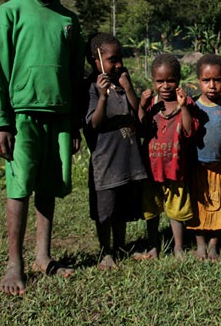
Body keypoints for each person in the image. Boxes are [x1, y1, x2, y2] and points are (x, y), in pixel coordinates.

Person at [0, 0, 83, 295]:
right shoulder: (10, 13)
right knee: (19, 185)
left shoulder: (68, 20)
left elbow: (74, 77)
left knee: (48, 185)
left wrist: (74, 124)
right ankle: (15, 263)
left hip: (58, 116)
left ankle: (44, 256)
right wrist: (0, 123)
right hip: (22, 116)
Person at [83, 33, 148, 269]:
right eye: (112, 59)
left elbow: (139, 117)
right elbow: (94, 124)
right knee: (105, 210)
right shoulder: (91, 87)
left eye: (120, 58)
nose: (119, 64)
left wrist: (128, 88)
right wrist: (102, 97)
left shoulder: (121, 83)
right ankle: (105, 251)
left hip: (128, 159)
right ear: (95, 59)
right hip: (106, 161)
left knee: (122, 208)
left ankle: (121, 246)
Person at [138, 53, 198, 259]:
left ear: (178, 80)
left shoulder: (186, 103)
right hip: (152, 168)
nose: (165, 86)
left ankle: (178, 247)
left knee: (177, 211)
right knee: (152, 210)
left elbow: (190, 131)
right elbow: (142, 128)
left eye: (170, 80)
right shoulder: (151, 104)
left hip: (175, 168)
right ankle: (153, 246)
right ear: (153, 81)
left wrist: (184, 107)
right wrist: (141, 105)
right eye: (159, 81)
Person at [186, 54, 221, 261]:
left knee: (219, 205)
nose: (212, 85)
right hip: (197, 166)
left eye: (217, 80)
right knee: (198, 205)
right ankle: (200, 244)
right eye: (206, 80)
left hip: (220, 166)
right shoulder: (192, 107)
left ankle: (214, 245)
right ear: (199, 81)